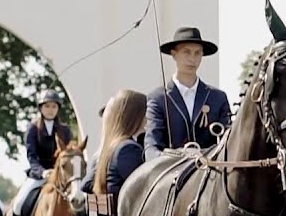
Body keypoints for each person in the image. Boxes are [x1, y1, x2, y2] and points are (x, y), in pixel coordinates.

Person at [144, 26, 232, 161]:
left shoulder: (218, 98)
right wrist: (173, 158)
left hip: (210, 175)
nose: (193, 59)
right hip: (172, 174)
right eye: (187, 52)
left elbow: (228, 142)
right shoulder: (158, 98)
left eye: (197, 53)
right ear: (174, 55)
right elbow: (151, 148)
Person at [8, 89, 74, 216]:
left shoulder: (65, 130)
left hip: (61, 177)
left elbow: (69, 154)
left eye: (53, 106)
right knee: (19, 203)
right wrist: (43, 172)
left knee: (79, 202)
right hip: (39, 175)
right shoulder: (33, 128)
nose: (50, 109)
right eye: (47, 106)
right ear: (41, 108)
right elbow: (31, 156)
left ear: (58, 108)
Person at [82, 90, 147, 199]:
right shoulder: (127, 149)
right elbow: (147, 188)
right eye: (146, 113)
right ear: (136, 116)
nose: (148, 118)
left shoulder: (113, 147)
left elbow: (86, 185)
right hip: (124, 215)